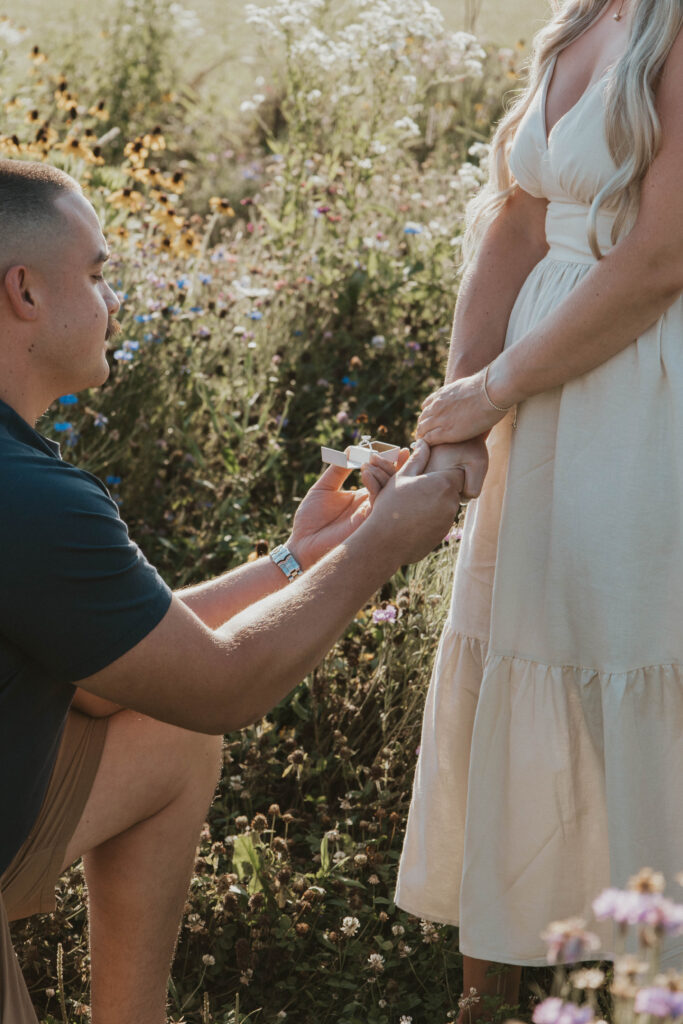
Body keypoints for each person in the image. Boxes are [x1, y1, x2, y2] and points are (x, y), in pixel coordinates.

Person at [0, 159, 488, 1023]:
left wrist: (296, 559)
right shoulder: (33, 502)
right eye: (99, 274)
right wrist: (378, 546)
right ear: (25, 292)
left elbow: (114, 678)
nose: (114, 303)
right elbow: (225, 687)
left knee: (165, 733)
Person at [394, 0, 683, 1017]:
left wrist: (497, 387)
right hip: (533, 392)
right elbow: (517, 219)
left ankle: (652, 989)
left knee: (627, 673)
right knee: (515, 655)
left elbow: (657, 260)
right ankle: (487, 992)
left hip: (641, 392)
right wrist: (457, 406)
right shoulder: (577, 18)